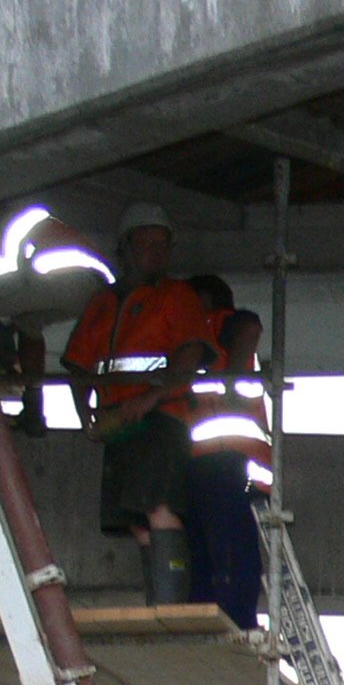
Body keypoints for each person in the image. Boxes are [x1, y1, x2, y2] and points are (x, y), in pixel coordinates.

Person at [59, 205, 216, 602]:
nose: (156, 251)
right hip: (119, 424)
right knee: (135, 519)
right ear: (125, 247)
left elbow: (190, 354)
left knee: (158, 505)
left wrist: (150, 398)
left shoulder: (177, 297)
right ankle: (159, 603)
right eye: (147, 243)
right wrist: (85, 415)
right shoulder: (102, 303)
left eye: (163, 244)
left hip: (160, 418)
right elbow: (79, 365)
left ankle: (171, 607)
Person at [181, 308, 272, 629]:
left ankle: (228, 619)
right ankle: (234, 622)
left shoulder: (242, 368)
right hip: (219, 470)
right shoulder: (212, 364)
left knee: (226, 561)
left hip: (234, 474)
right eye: (250, 336)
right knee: (229, 560)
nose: (253, 342)